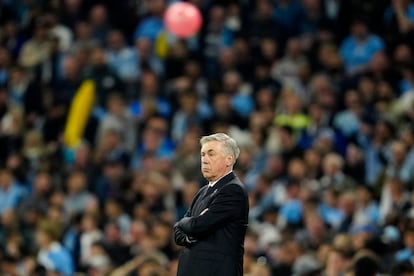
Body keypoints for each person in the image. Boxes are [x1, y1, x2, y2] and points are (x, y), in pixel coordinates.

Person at [173, 133, 249, 276]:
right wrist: (188, 227)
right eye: (202, 154)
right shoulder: (202, 191)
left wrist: (184, 223)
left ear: (229, 159)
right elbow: (177, 233)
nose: (204, 160)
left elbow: (198, 226)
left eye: (211, 154)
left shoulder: (233, 190)